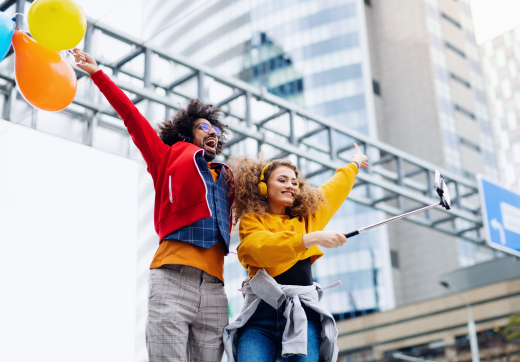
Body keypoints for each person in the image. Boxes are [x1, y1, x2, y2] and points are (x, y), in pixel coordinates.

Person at [73, 49, 233, 362]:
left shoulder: (227, 177)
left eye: (215, 130)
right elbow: (131, 116)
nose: (212, 132)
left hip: (215, 289)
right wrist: (97, 74)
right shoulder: (165, 157)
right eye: (204, 127)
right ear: (188, 132)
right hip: (172, 277)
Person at [223, 144, 368, 362]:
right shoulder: (253, 221)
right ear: (263, 187)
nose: (290, 186)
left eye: (294, 182)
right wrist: (311, 238)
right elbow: (259, 249)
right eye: (282, 180)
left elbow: (337, 187)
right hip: (260, 318)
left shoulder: (309, 218)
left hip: (303, 315)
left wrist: (355, 163)